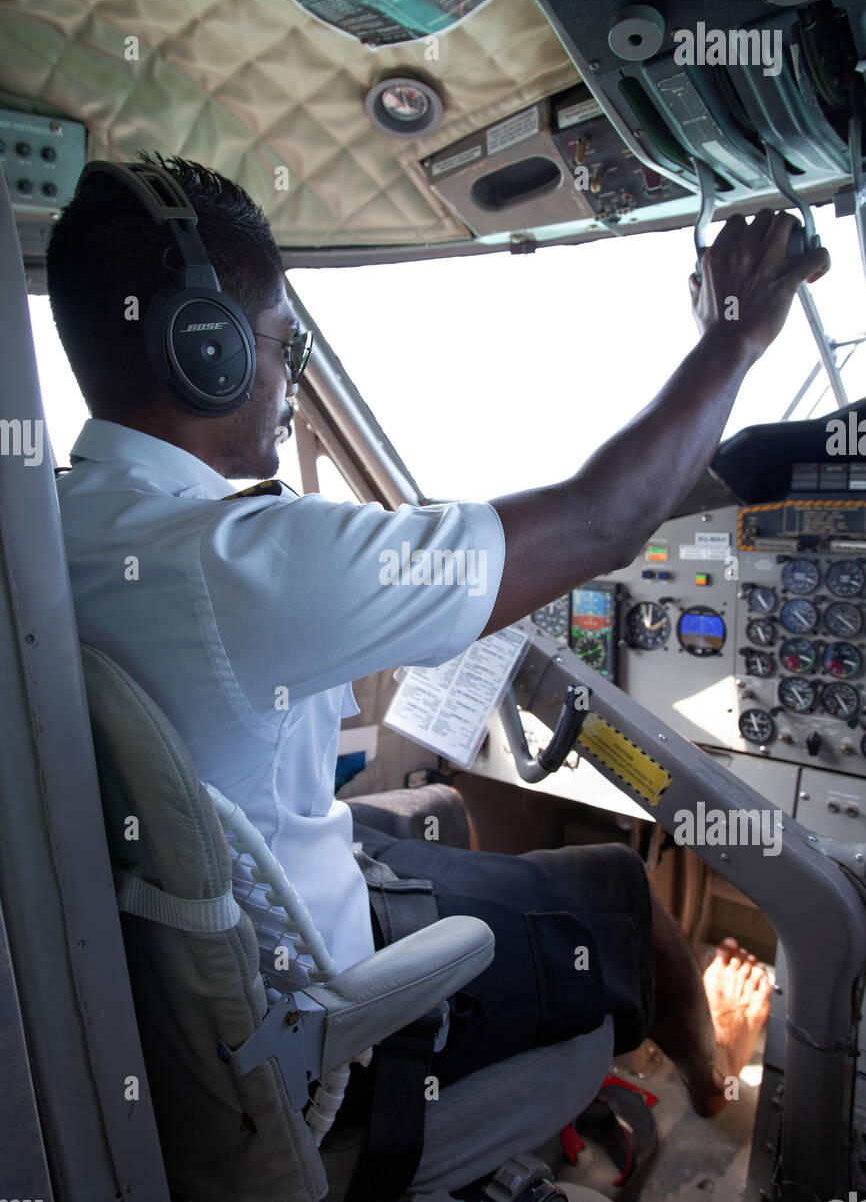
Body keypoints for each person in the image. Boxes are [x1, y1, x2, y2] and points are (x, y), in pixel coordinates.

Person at [46, 153, 827, 1131]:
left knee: (447, 808)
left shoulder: (51, 533)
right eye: (282, 348)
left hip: (203, 999)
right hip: (329, 1046)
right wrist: (733, 336)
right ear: (207, 353)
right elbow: (601, 521)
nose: (290, 386)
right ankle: (715, 1091)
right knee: (623, 893)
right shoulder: (241, 560)